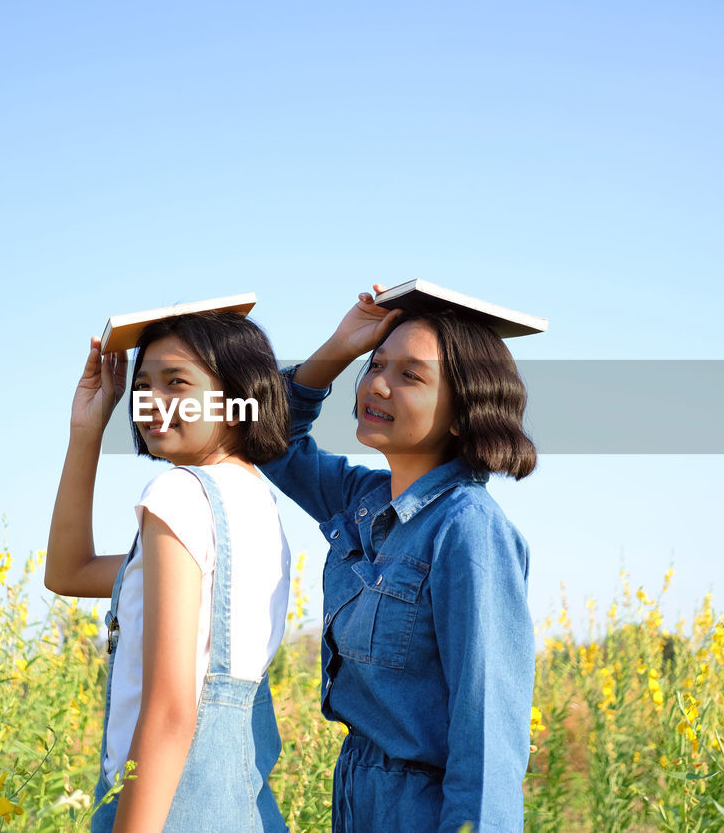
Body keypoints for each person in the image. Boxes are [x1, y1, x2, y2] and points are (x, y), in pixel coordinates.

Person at [259, 287, 537, 833]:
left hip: (424, 811)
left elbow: (488, 736)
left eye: (411, 375)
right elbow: (271, 436)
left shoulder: (468, 530)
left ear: (464, 414)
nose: (377, 384)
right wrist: (341, 346)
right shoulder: (361, 501)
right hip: (358, 797)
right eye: (375, 364)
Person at [44, 310, 292, 833]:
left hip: (164, 805)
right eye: (142, 386)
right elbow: (71, 572)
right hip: (237, 804)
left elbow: (170, 708)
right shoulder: (254, 501)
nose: (151, 402)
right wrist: (88, 427)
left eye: (176, 382)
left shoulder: (179, 493)